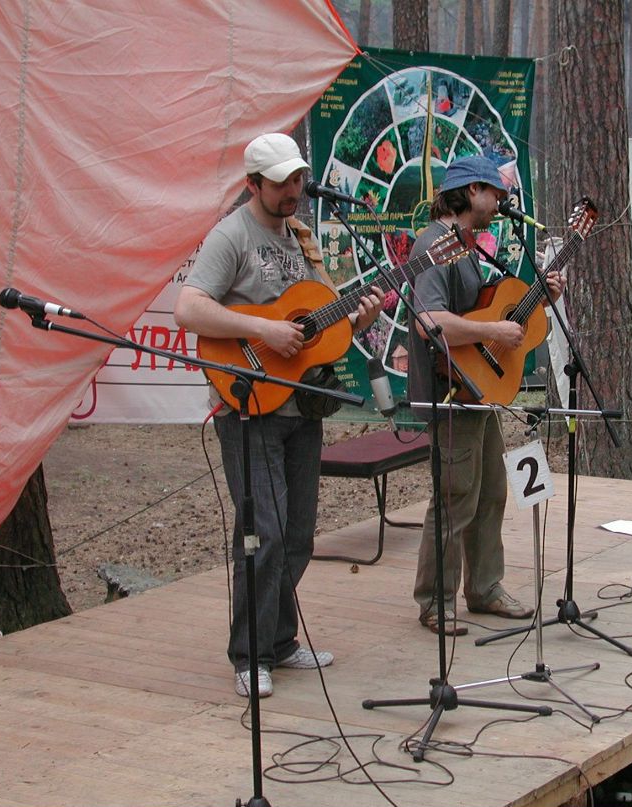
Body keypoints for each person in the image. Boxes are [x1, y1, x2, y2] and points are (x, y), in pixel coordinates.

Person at [174, 133, 383, 697]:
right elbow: (189, 308)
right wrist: (262, 329)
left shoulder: (303, 239)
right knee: (261, 533)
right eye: (282, 183)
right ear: (253, 184)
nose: (294, 192)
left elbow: (320, 333)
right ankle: (249, 654)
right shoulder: (231, 235)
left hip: (300, 403)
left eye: (297, 180)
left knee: (297, 534)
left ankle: (281, 641)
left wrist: (359, 320)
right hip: (248, 403)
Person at [406, 155, 563, 636]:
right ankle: (436, 601)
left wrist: (542, 298)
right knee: (455, 498)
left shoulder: (467, 248)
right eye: (494, 192)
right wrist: (492, 328)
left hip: (478, 388)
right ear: (470, 191)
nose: (500, 202)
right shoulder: (434, 244)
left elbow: (484, 311)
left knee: (493, 490)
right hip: (449, 389)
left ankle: (485, 588)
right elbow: (428, 322)